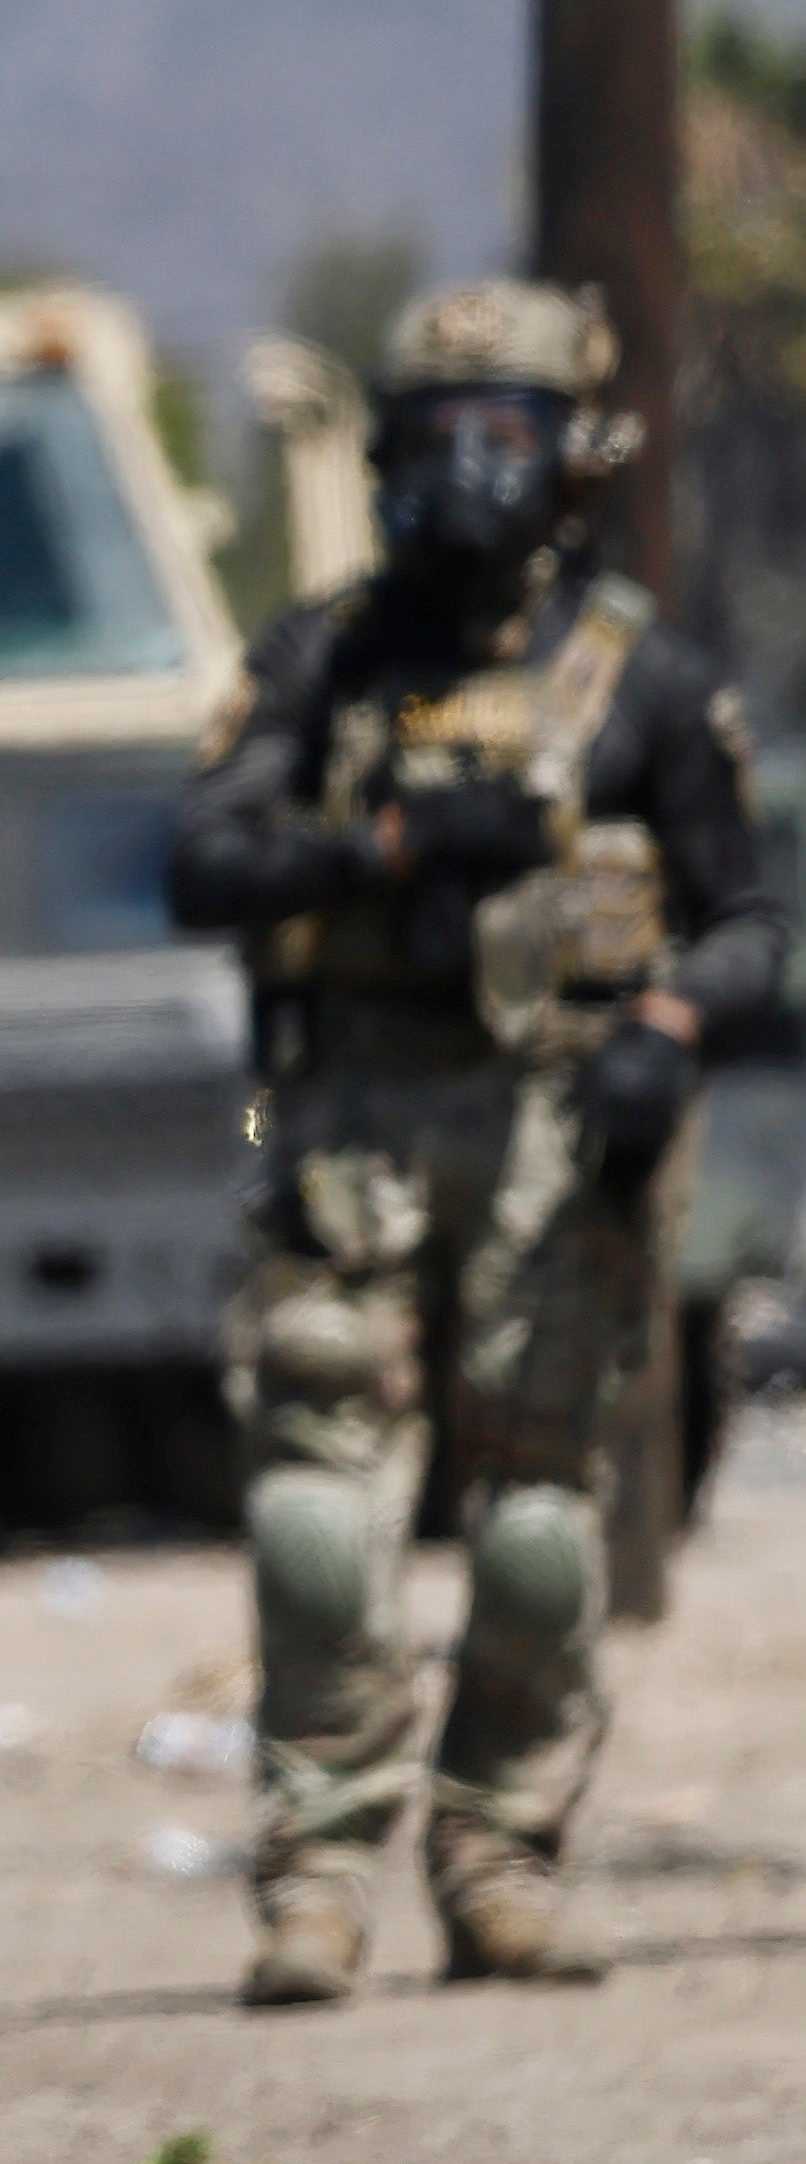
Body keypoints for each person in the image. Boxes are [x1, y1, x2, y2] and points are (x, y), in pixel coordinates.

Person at [167, 277, 778, 2005]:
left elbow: (745, 923)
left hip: (552, 1139)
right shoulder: (320, 659)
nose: (464, 476)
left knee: (533, 1531)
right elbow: (199, 862)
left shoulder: (640, 679)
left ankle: (501, 1853)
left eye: (501, 438)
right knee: (312, 1521)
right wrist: (376, 849)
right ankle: (314, 1876)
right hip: (350, 1128)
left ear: (570, 460)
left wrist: (663, 1028)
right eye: (432, 440)